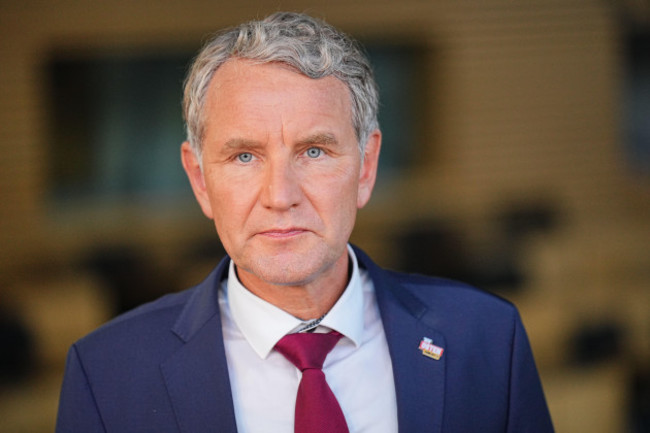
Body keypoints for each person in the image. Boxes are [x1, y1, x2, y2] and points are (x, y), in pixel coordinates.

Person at [56, 11, 554, 433]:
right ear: (200, 179)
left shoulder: (488, 339)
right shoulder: (106, 374)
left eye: (314, 151)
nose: (280, 196)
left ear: (366, 166)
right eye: (245, 156)